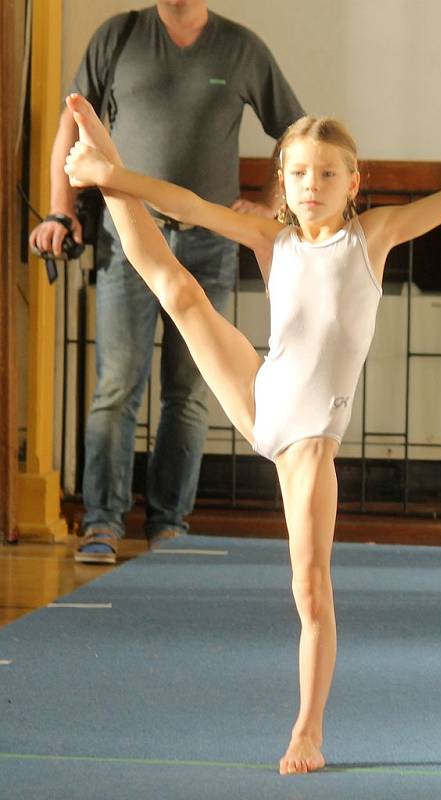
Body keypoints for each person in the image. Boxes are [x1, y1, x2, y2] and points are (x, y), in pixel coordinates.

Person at [63, 92, 441, 775]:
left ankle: (307, 730)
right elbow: (188, 205)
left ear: (354, 182)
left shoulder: (373, 236)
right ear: (282, 180)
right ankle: (100, 157)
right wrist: (111, 175)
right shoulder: (271, 239)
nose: (311, 185)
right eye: (299, 172)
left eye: (327, 174)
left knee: (310, 590)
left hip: (308, 438)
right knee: (177, 288)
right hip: (261, 394)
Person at [29, 1, 304, 564]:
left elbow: (297, 132)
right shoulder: (119, 35)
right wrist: (61, 212)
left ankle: (169, 527)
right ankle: (101, 524)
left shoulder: (241, 47)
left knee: (191, 391)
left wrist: (273, 208)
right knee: (116, 387)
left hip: (208, 243)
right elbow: (70, 128)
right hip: (129, 235)